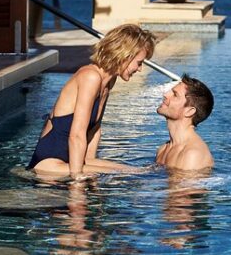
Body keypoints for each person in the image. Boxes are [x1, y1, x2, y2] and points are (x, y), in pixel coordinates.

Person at [28, 23, 157, 178]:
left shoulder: (109, 80)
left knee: (141, 172)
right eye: (139, 62)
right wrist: (77, 181)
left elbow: (95, 128)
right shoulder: (90, 77)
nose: (140, 69)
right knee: (119, 175)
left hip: (72, 160)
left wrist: (90, 164)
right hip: (48, 163)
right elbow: (77, 134)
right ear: (124, 55)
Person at [155, 75, 214, 171]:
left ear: (189, 111)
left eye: (175, 94)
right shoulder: (163, 149)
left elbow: (181, 186)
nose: (165, 94)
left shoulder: (193, 154)